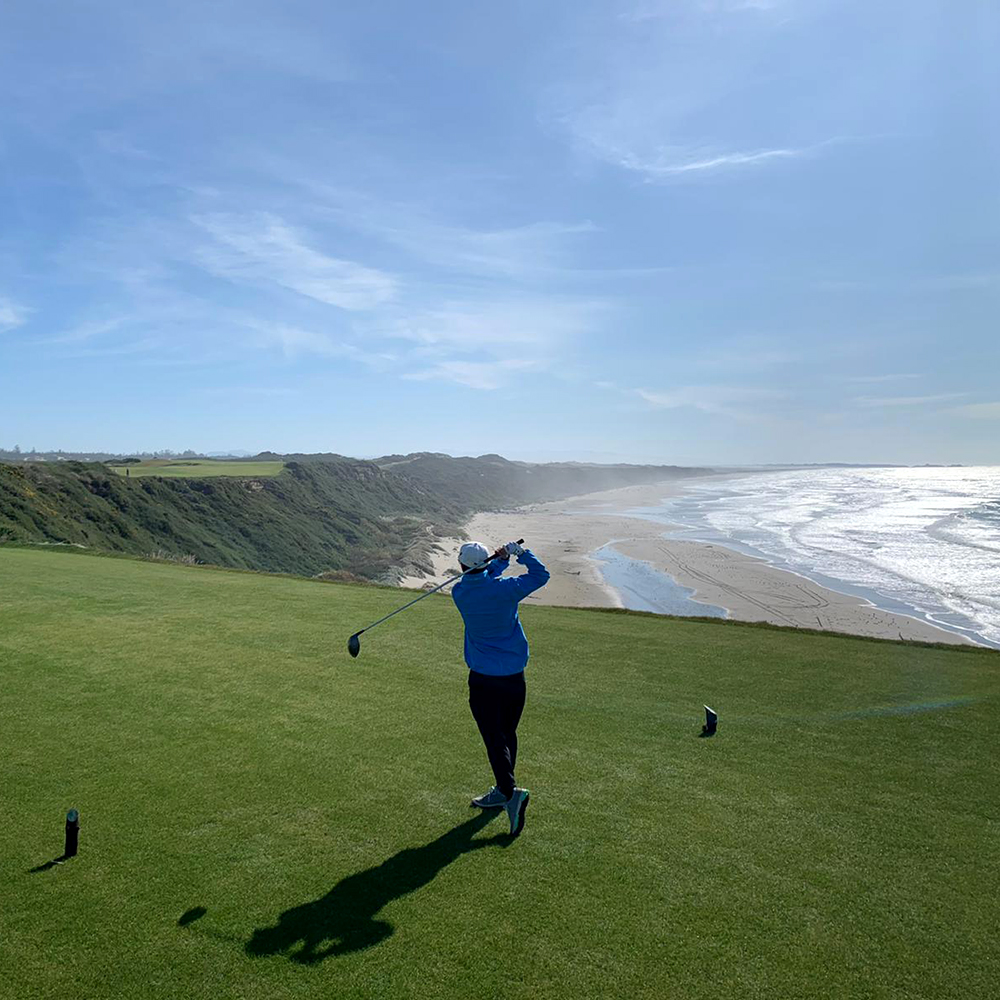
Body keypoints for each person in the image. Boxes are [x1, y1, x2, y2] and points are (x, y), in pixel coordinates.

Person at [451, 539, 549, 837]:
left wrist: (500, 561)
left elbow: (482, 578)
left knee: (494, 738)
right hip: (515, 678)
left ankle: (509, 792)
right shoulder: (507, 590)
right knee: (506, 735)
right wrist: (519, 554)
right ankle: (503, 790)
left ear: (461, 565)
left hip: (483, 679)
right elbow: (540, 575)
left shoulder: (460, 592)